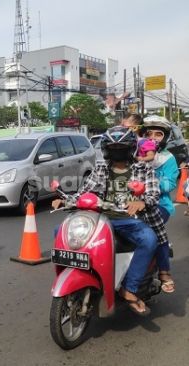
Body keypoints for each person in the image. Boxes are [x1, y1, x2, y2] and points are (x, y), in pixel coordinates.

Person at [52, 126, 165, 316]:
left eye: (121, 148)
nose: (117, 152)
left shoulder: (143, 168)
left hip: (129, 219)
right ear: (106, 150)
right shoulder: (101, 168)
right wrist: (65, 200)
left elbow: (154, 193)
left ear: (130, 149)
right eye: (113, 149)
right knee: (60, 230)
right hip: (100, 218)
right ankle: (83, 273)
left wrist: (141, 201)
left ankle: (129, 287)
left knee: (149, 239)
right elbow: (85, 192)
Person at [140, 116, 179, 293]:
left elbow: (170, 184)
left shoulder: (168, 158)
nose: (153, 137)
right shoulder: (134, 154)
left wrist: (148, 184)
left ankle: (164, 272)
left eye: (158, 134)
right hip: (130, 203)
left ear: (165, 138)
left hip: (160, 205)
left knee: (155, 232)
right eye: (149, 133)